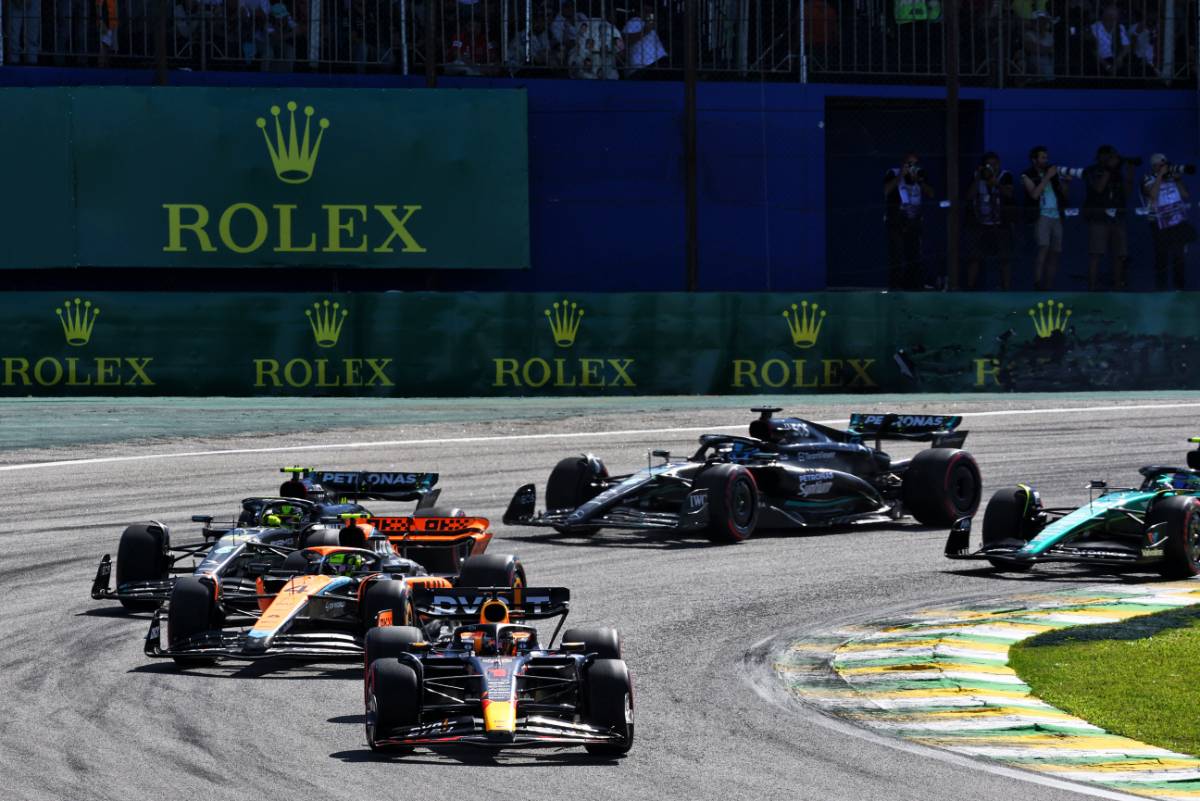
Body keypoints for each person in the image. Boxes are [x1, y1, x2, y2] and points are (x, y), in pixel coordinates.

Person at [1022, 145, 1073, 290]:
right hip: (1041, 216)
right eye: (1042, 157)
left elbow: (1064, 194)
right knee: (1043, 248)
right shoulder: (1027, 175)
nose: (1046, 160)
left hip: (1057, 216)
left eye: (1046, 157)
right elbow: (1034, 194)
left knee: (1055, 252)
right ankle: (1038, 284)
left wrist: (1066, 182)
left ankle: (1049, 285)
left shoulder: (1053, 175)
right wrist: (1047, 176)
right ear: (1034, 160)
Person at [1083, 144, 1133, 290]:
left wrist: (1130, 174)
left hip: (1117, 217)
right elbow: (1098, 188)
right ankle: (1092, 289)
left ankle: (1118, 287)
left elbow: (1127, 194)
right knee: (1096, 253)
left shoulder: (1117, 173)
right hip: (1098, 217)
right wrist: (1108, 169)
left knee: (1119, 255)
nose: (1111, 158)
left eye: (1112, 156)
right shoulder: (1091, 170)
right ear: (1099, 156)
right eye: (1108, 155)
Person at [883, 152, 935, 290]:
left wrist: (919, 180)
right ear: (903, 163)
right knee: (897, 254)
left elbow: (931, 193)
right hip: (897, 219)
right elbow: (886, 191)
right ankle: (895, 286)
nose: (912, 167)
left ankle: (913, 285)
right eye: (909, 163)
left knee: (914, 254)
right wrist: (901, 174)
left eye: (915, 164)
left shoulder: (920, 174)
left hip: (914, 220)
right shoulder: (893, 172)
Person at [964, 151, 1015, 290]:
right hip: (979, 223)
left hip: (1001, 223)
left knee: (1005, 257)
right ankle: (970, 288)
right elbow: (969, 196)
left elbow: (1009, 194)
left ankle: (1006, 289)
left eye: (995, 164)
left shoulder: (1005, 175)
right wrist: (979, 178)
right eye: (990, 165)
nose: (993, 167)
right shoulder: (977, 176)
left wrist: (995, 183)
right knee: (974, 256)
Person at [1143, 153, 1192, 290]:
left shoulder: (1172, 178)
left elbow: (1186, 195)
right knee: (1162, 256)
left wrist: (1177, 180)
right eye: (1161, 165)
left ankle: (1179, 289)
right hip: (1159, 222)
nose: (1165, 167)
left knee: (1179, 255)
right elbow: (1152, 195)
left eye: (1165, 165)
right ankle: (1161, 289)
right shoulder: (1148, 178)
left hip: (1177, 220)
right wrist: (1160, 176)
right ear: (1154, 166)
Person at [1090, 3, 1131, 76]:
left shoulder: (1120, 27)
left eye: (1114, 16)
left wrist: (1120, 58)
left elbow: (1126, 46)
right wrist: (1107, 66)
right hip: (1101, 61)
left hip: (1117, 59)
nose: (1112, 18)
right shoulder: (1094, 27)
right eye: (1109, 15)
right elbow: (1093, 51)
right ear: (1103, 16)